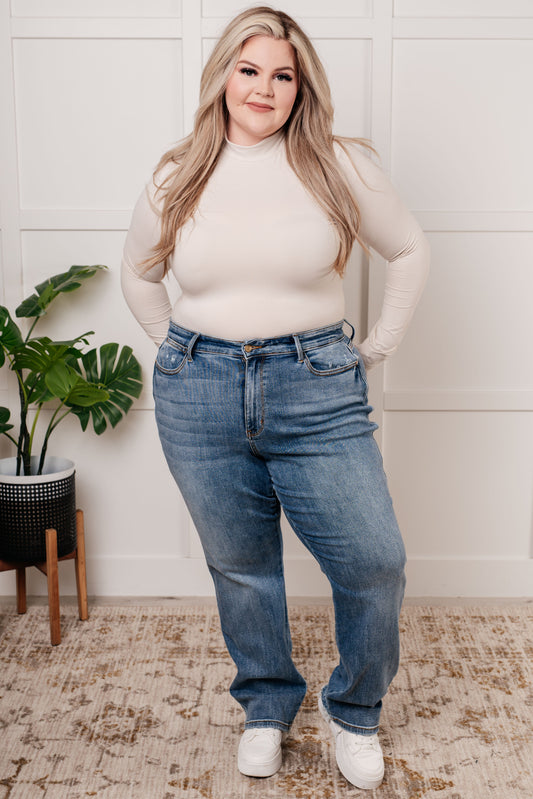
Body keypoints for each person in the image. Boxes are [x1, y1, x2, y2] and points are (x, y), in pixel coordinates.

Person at [121, 5, 429, 791]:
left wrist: (375, 347)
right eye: (248, 69)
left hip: (314, 385)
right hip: (198, 392)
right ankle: (265, 705)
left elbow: (407, 247)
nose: (263, 88)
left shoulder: (337, 163)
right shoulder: (177, 171)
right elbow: (138, 270)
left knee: (374, 560)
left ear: (301, 87)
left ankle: (353, 710)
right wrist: (175, 351)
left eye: (281, 75)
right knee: (241, 566)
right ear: (223, 76)